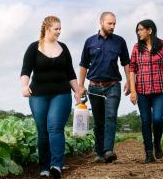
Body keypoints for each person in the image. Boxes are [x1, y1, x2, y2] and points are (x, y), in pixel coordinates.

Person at [20, 16, 80, 178]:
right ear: (47, 29)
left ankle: (56, 165)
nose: (59, 32)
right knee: (43, 131)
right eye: (56, 29)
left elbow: (70, 73)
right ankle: (44, 167)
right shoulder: (34, 48)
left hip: (61, 94)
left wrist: (77, 91)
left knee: (54, 127)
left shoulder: (64, 48)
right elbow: (26, 70)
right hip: (38, 95)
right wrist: (24, 86)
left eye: (60, 29)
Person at [79, 12, 130, 163]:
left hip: (113, 85)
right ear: (101, 22)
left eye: (114, 23)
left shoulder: (120, 41)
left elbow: (126, 63)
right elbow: (83, 65)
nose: (113, 26)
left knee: (110, 116)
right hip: (94, 87)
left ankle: (108, 150)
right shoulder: (90, 42)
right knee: (98, 121)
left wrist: (129, 82)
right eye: (110, 23)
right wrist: (81, 86)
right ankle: (100, 153)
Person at [129, 19, 163, 163]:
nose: (138, 32)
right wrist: (133, 91)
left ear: (150, 30)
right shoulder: (137, 47)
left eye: (141, 29)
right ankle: (148, 153)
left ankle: (157, 143)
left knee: (157, 119)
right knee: (145, 121)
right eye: (137, 30)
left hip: (160, 89)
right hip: (142, 90)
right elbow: (132, 69)